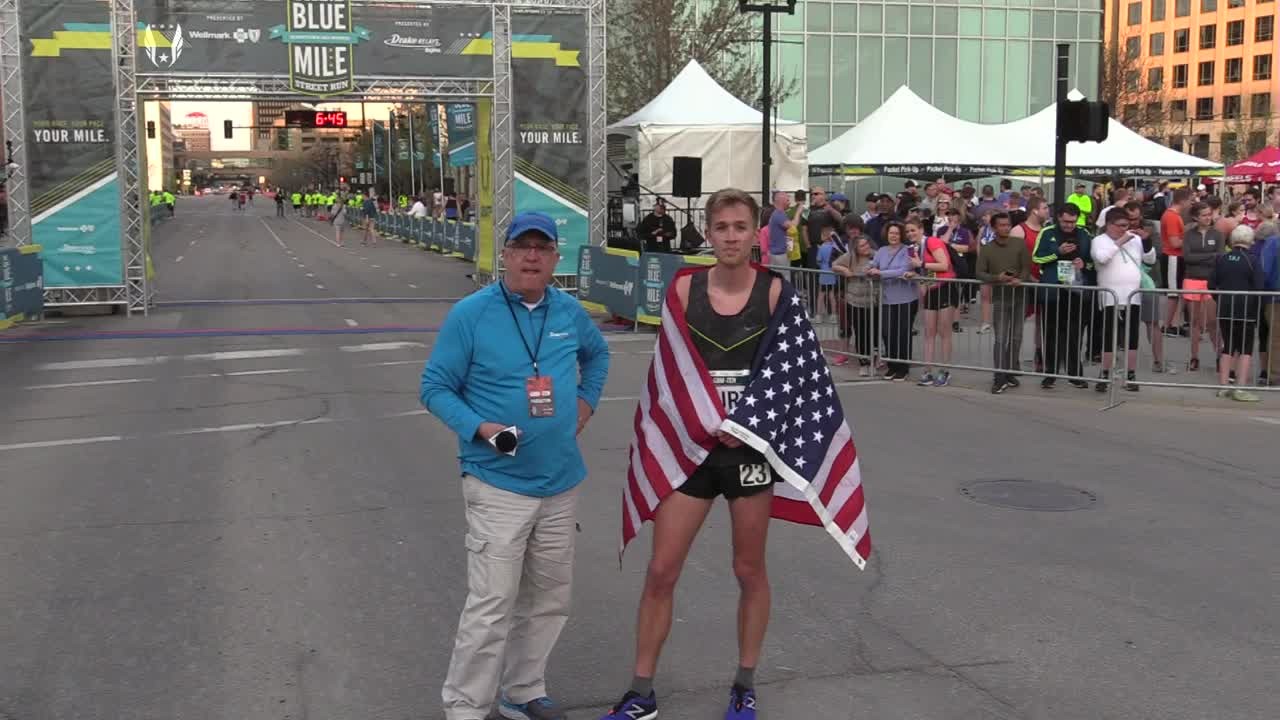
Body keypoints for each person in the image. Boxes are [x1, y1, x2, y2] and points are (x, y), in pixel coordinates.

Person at [599, 188, 784, 720]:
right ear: (708, 233)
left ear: (754, 234)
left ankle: (744, 684)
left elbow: (788, 374)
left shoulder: (775, 292)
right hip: (691, 448)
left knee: (748, 569)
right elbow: (668, 371)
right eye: (721, 227)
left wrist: (749, 424)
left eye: (740, 227)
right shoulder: (683, 288)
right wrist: (692, 424)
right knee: (662, 570)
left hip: (748, 451)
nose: (730, 237)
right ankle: (641, 692)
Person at [422, 211, 610, 720]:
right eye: (522, 247)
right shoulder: (471, 314)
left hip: (560, 481)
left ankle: (523, 690)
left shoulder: (568, 311)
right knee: (492, 605)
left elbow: (597, 356)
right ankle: (466, 706)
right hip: (497, 482)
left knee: (549, 599)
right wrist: (481, 428)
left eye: (542, 248)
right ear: (504, 255)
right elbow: (434, 387)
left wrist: (586, 403)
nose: (532, 256)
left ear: (555, 257)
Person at [1031, 203, 1093, 389]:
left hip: (1075, 289)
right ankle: (1050, 373)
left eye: (1072, 222)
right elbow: (1036, 257)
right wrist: (1057, 252)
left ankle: (1075, 374)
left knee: (1075, 333)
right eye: (1066, 221)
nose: (1069, 225)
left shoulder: (1084, 233)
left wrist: (1084, 264)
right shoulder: (1047, 232)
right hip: (1052, 289)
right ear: (1059, 217)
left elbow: (1092, 261)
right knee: (1051, 333)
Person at [1091, 211, 1154, 393]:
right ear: (1110, 225)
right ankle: (1105, 374)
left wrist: (1146, 241)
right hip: (1110, 295)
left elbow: (1150, 260)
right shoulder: (1099, 240)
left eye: (1127, 225)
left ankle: (1130, 374)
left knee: (1132, 336)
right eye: (1121, 226)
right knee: (1109, 336)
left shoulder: (1135, 240)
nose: (1125, 229)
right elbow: (1101, 258)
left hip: (1133, 295)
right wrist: (1120, 242)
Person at [975, 212, 1031, 394]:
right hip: (1000, 298)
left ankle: (1009, 371)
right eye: (1002, 225)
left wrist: (1020, 279)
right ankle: (999, 376)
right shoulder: (987, 249)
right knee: (1000, 338)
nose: (1006, 228)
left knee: (1016, 337)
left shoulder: (1019, 244)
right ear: (994, 228)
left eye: (1008, 225)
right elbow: (979, 272)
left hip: (1020, 296)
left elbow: (1026, 267)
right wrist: (997, 278)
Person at [1209, 224, 1264, 402]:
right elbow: (1259, 287)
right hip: (1246, 308)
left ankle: (1223, 386)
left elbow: (1211, 284)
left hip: (1225, 307)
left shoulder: (1222, 258)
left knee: (1228, 346)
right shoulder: (1252, 260)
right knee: (1246, 348)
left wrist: (1220, 300)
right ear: (1250, 240)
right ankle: (1240, 388)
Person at [866, 221, 919, 381]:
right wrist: (869, 268)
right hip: (886, 298)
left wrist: (881, 273)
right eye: (891, 233)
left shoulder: (908, 250)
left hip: (906, 298)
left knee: (902, 333)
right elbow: (873, 264)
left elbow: (903, 270)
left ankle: (903, 367)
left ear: (901, 235)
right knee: (887, 332)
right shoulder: (881, 250)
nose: (893, 236)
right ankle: (892, 365)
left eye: (896, 233)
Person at [908, 218, 956, 387]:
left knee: (944, 332)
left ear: (921, 229)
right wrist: (917, 275)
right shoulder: (914, 248)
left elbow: (944, 265)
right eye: (908, 231)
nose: (910, 234)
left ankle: (945, 371)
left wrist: (921, 263)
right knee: (929, 332)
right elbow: (926, 270)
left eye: (913, 230)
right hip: (931, 289)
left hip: (945, 287)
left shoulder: (932, 241)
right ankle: (927, 371)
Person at [1181, 201, 1223, 371]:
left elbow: (1219, 256)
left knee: (1212, 321)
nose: (1208, 218)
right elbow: (1187, 257)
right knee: (1195, 321)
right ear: (1195, 217)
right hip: (1192, 280)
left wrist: (1201, 257)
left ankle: (1219, 356)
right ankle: (1194, 357)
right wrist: (1209, 256)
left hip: (1211, 281)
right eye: (1204, 215)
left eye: (1209, 214)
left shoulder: (1218, 234)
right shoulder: (1188, 235)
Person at [832, 235, 878, 374]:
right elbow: (834, 265)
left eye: (867, 243)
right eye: (862, 245)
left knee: (873, 333)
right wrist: (844, 270)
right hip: (855, 301)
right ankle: (863, 363)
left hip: (874, 301)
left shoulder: (876, 255)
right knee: (860, 333)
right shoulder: (850, 257)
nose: (866, 247)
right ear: (856, 248)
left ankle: (873, 361)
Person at [1159, 188, 1192, 338]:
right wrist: (1190, 239)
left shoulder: (1173, 215)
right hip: (1172, 257)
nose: (1191, 204)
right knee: (1173, 293)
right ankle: (1167, 325)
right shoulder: (1172, 217)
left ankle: (1172, 324)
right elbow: (1174, 243)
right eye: (1190, 200)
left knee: (1176, 292)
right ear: (1183, 200)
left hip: (1175, 257)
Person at [816, 224, 839, 323]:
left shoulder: (822, 247)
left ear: (825, 236)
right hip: (832, 274)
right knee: (831, 295)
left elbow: (818, 260)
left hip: (823, 274)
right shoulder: (835, 248)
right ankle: (834, 315)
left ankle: (818, 315)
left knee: (821, 295)